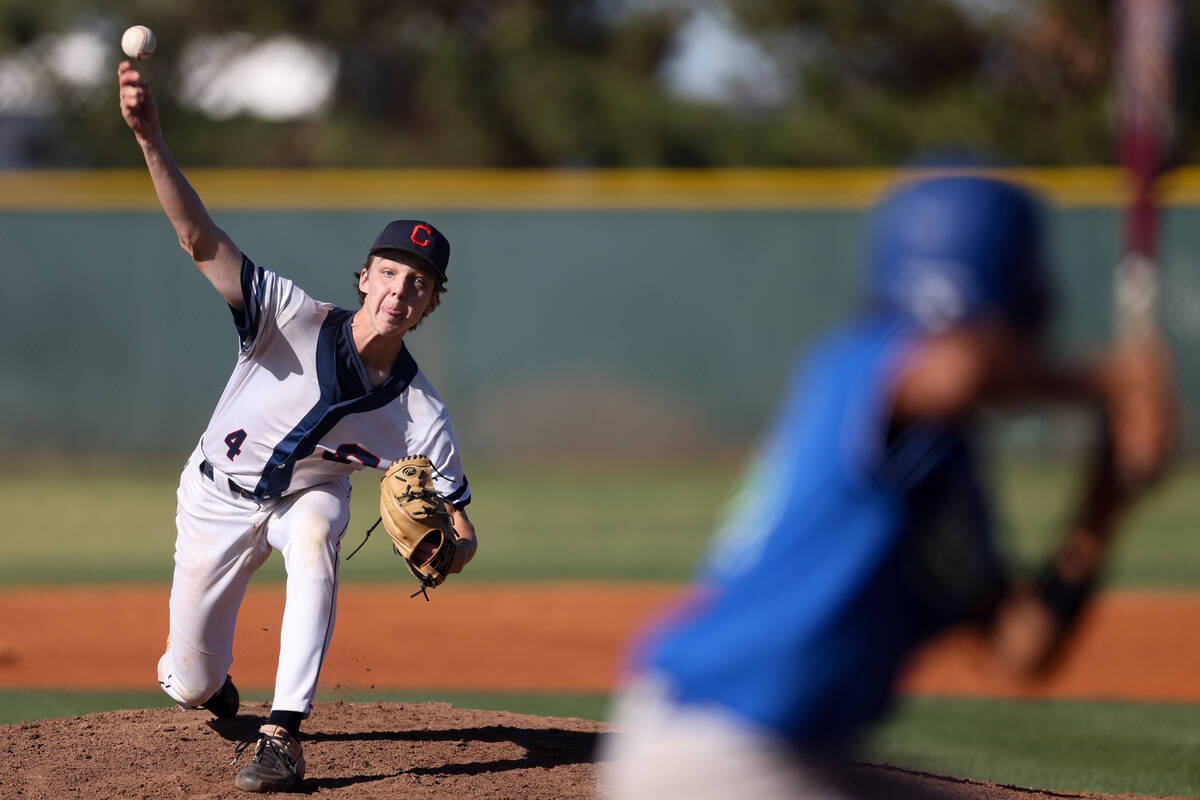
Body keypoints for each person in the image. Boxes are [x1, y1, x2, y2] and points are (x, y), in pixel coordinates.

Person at [601, 174, 1174, 800]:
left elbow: (1021, 648)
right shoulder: (861, 363)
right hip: (718, 745)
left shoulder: (943, 470)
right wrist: (1104, 380)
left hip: (777, 754)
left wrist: (1103, 503)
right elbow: (958, 373)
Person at [118, 61, 478, 793]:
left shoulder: (421, 414)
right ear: (364, 280)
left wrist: (448, 549)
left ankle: (282, 735)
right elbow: (197, 239)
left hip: (303, 500)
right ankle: (212, 688)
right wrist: (152, 138)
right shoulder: (286, 314)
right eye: (391, 272)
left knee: (316, 533)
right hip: (214, 500)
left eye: (420, 283)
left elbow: (463, 525)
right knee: (189, 683)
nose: (401, 289)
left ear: (429, 305)